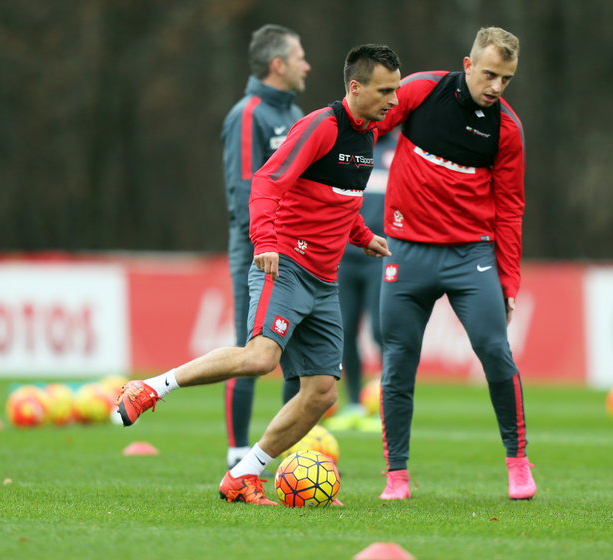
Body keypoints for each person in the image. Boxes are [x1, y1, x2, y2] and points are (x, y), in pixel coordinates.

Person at [114, 44, 402, 506]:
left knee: (322, 392)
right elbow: (268, 181)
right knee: (259, 358)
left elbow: (338, 201)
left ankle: (243, 475)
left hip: (324, 281)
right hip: (286, 263)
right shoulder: (320, 126)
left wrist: (363, 236)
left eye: (397, 89)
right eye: (385, 89)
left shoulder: (366, 136)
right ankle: (150, 388)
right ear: (355, 87)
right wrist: (265, 241)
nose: (394, 98)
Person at [373, 27, 536, 500]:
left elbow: (510, 209)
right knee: (398, 364)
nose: (497, 86)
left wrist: (509, 282)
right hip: (406, 251)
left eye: (507, 79)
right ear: (467, 65)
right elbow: (366, 122)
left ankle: (518, 462)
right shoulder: (423, 91)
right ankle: (396, 477)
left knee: (495, 351)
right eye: (490, 74)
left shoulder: (507, 129)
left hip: (472, 256)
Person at [220, 24, 310, 470]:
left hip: (302, 252)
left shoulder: (297, 115)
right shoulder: (248, 114)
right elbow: (243, 189)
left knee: (298, 354)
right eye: (300, 58)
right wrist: (264, 244)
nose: (307, 65)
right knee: (250, 349)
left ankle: (279, 449)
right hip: (259, 251)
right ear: (279, 65)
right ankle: (237, 451)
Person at [325, 132, 397, 433]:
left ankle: (388, 406)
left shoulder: (400, 150)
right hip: (345, 252)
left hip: (383, 251)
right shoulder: (348, 147)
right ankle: (355, 403)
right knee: (343, 329)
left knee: (383, 330)